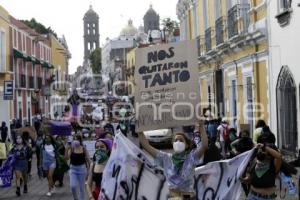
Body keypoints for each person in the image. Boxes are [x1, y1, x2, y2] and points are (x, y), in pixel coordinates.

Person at [139, 121, 208, 199]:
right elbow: (146, 146)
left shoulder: (191, 157)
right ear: (173, 144)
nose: (178, 142)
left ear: (187, 145)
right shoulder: (166, 158)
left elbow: (204, 146)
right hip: (173, 197)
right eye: (176, 140)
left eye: (181, 140)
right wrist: (139, 129)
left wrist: (201, 126)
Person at [65, 134, 90, 200]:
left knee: (82, 188)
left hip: (82, 169)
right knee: (73, 186)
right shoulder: (72, 148)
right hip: (73, 169)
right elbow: (66, 158)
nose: (76, 141)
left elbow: (88, 158)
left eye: (77, 139)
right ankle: (75, 198)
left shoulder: (83, 148)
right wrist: (66, 149)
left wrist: (90, 169)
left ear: (80, 140)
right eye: (74, 139)